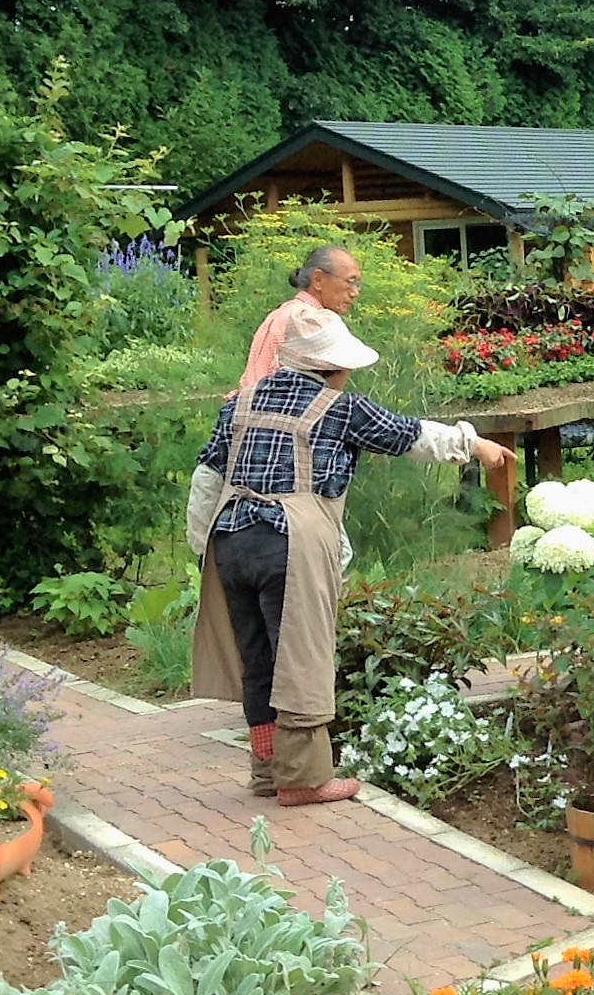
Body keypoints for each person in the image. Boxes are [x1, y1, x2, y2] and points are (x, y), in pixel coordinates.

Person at [188, 315, 514, 803]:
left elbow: (206, 479)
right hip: (289, 544)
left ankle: (266, 771)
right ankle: (303, 780)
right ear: (333, 368)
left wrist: (202, 549)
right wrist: (475, 443)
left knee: (256, 661)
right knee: (300, 661)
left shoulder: (241, 405)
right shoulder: (340, 409)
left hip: (230, 539)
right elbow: (411, 435)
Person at [238, 246, 364, 389]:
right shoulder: (295, 319)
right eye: (349, 281)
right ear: (318, 280)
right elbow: (256, 385)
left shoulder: (301, 316)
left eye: (357, 284)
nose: (355, 293)